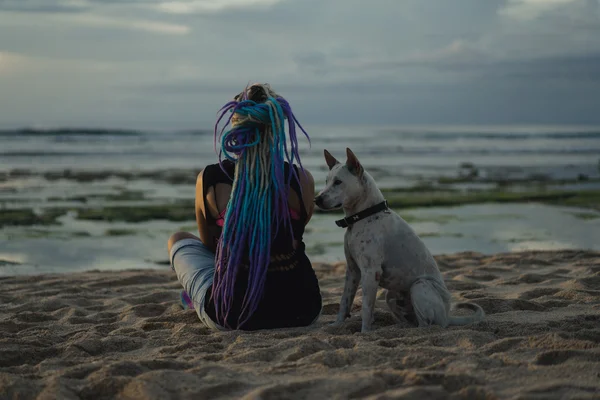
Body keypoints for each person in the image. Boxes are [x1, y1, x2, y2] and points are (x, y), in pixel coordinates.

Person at [167, 83, 322, 330]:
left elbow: (210, 247)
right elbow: (291, 237)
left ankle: (195, 298)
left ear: (236, 126)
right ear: (277, 129)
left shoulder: (209, 180)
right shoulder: (302, 180)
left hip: (231, 315)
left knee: (178, 239)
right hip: (302, 311)